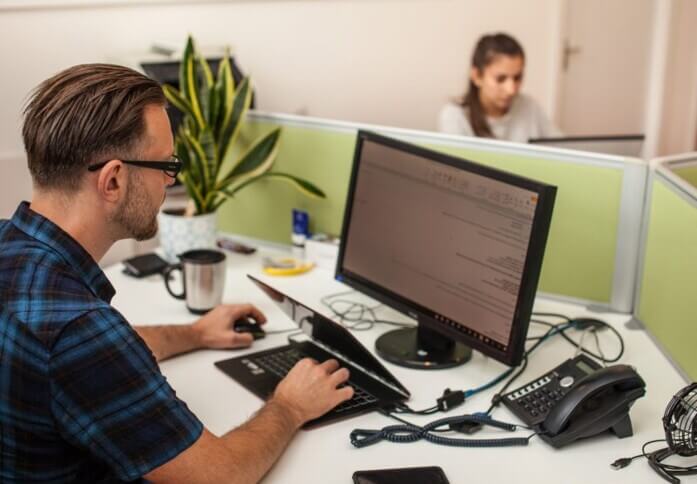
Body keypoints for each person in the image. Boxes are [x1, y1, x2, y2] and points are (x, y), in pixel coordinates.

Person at [0, 63, 354, 483]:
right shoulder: (77, 329)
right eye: (166, 165)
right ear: (112, 181)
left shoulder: (14, 246)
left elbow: (94, 357)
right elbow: (218, 477)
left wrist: (196, 334)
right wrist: (291, 406)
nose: (170, 180)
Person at [438, 33, 561, 143]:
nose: (511, 90)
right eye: (500, 79)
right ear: (477, 76)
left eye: (517, 78)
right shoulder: (455, 116)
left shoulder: (530, 106)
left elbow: (562, 146)